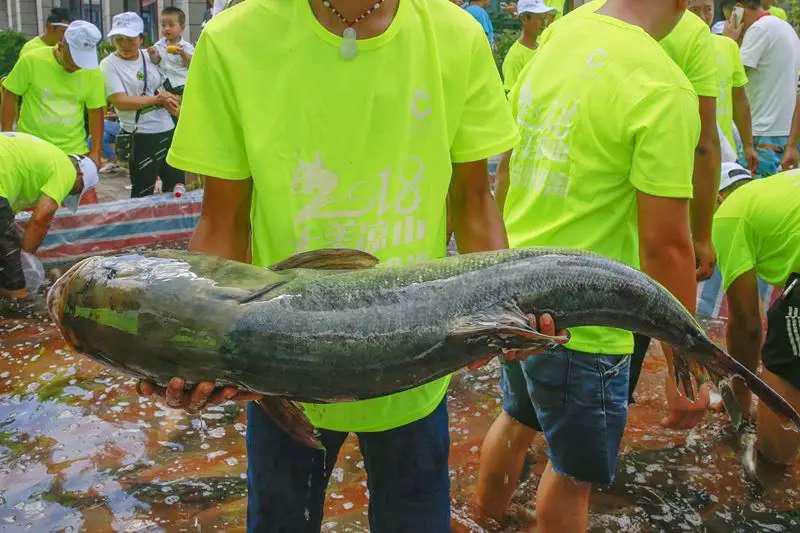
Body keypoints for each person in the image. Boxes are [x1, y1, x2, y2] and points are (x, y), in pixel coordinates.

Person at [136, 1, 561, 532]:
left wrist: (512, 309)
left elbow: (473, 199)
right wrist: (190, 346)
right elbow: (224, 218)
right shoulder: (233, 40)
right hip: (280, 370)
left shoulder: (455, 36)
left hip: (417, 365)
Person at [478, 0, 701, 529]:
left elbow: (509, 164)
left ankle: (482, 519)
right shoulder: (662, 86)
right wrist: (686, 361)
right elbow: (666, 247)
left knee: (516, 419)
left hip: (517, 286)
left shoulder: (560, 35)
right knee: (573, 472)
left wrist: (500, 261)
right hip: (588, 319)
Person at [712, 167, 800, 465]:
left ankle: (773, 477)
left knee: (772, 457)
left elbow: (747, 324)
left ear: (717, 197)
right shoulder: (775, 194)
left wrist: (739, 399)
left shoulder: (728, 214)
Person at [0, 132, 98, 300]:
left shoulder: (45, 160)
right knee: (16, 288)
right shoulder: (67, 170)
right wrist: (25, 261)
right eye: (76, 190)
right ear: (80, 175)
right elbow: (40, 220)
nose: (69, 193)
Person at [100, 12, 184, 198]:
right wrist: (157, 100)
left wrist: (171, 97)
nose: (124, 44)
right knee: (143, 192)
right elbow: (120, 101)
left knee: (176, 188)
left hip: (168, 130)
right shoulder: (109, 64)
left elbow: (172, 79)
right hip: (141, 136)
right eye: (119, 39)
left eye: (130, 39)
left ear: (141, 38)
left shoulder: (151, 56)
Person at [1, 21, 105, 170]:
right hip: (31, 147)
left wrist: (96, 151)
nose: (76, 67)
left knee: (75, 184)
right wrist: (7, 135)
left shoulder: (92, 71)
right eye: (72, 61)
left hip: (73, 151)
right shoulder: (32, 60)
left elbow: (95, 110)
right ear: (61, 46)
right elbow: (10, 93)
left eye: (82, 63)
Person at [721, 0, 800, 177]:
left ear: (738, 10)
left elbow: (728, 73)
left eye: (730, 18)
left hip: (761, 133)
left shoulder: (759, 29)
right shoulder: (785, 27)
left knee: (754, 191)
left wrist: (728, 42)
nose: (730, 23)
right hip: (786, 133)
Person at [690, 0, 758, 172]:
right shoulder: (667, 45)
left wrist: (748, 145)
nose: (702, 17)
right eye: (694, 10)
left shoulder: (728, 46)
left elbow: (739, 100)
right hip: (688, 152)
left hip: (725, 156)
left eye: (708, 9)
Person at [502, 0, 555, 93]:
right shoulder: (514, 57)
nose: (544, 23)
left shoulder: (543, 44)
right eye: (540, 18)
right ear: (524, 19)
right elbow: (511, 93)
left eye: (544, 17)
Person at [148, 7, 195, 97]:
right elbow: (156, 61)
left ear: (182, 28)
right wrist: (152, 54)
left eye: (171, 25)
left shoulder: (186, 46)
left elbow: (191, 64)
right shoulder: (159, 45)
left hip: (182, 84)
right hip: (164, 85)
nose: (166, 28)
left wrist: (182, 53)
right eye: (163, 25)